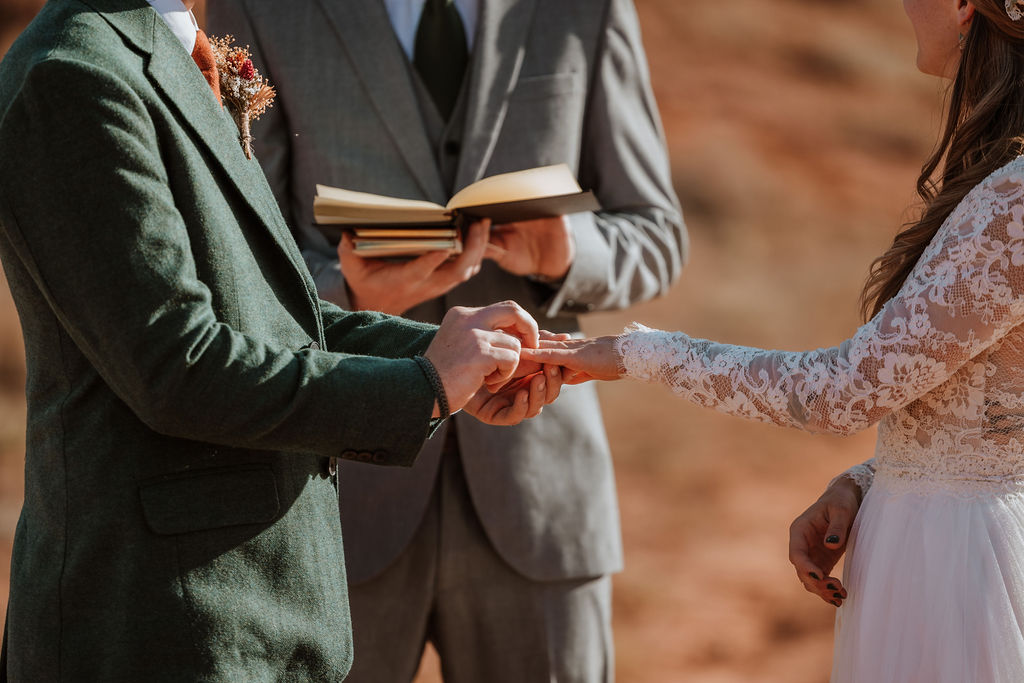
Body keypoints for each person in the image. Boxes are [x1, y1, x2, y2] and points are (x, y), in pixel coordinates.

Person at [0, 0, 563, 680]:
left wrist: (453, 355)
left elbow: (272, 319)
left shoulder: (168, 47)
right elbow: (179, 366)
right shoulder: (72, 73)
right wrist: (424, 389)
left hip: (249, 615)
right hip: (162, 626)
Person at [525, 1, 1024, 680]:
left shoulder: (1011, 203)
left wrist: (637, 353)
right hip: (954, 544)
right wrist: (866, 481)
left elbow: (840, 392)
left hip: (959, 574)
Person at [206, 1, 687, 681]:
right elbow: (232, 246)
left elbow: (658, 233)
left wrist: (566, 253)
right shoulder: (261, 6)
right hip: (333, 497)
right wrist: (347, 295)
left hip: (542, 497)